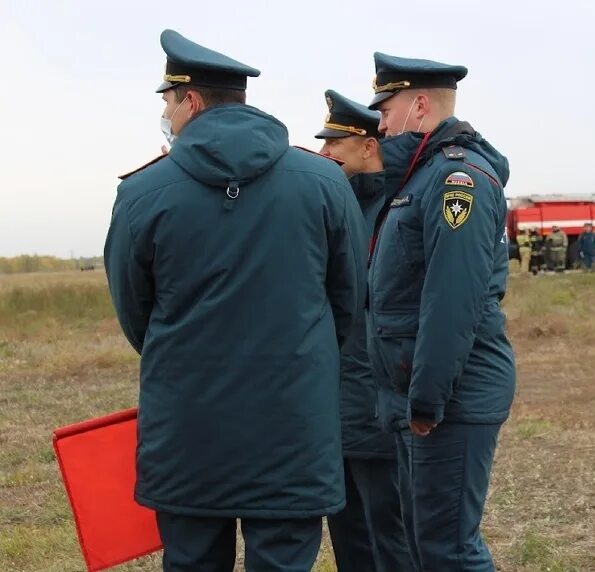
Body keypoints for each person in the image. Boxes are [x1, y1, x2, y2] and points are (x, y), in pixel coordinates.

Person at [104, 30, 366, 571]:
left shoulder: (141, 195)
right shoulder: (323, 182)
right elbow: (347, 299)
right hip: (293, 425)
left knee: (194, 560)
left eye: (168, 104)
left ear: (191, 101)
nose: (167, 117)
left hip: (188, 428)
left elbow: (137, 316)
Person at [365, 52, 515, 571]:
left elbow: (452, 300)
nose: (379, 124)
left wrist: (427, 400)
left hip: (449, 398)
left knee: (449, 549)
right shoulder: (417, 177)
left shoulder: (458, 181)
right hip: (416, 396)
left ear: (420, 105)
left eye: (385, 109)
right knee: (425, 544)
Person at [315, 89, 414, 572]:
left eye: (335, 144)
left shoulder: (400, 209)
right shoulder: (335, 206)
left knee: (390, 530)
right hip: (338, 400)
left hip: (380, 400)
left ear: (367, 146)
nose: (324, 153)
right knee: (349, 530)